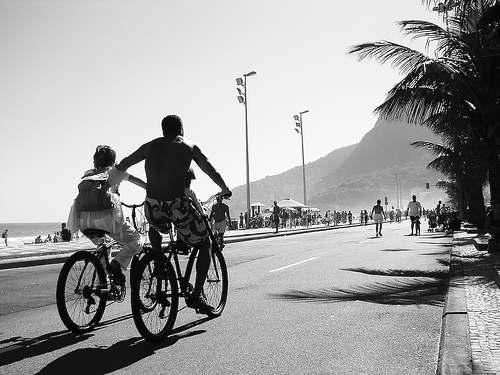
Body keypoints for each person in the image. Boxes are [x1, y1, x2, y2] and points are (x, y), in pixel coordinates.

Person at [116, 114, 231, 314]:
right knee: (206, 244)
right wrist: (224, 187)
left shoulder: (150, 146)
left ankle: (158, 259)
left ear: (163, 130)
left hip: (152, 206)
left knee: (154, 224)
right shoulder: (189, 146)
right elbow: (210, 170)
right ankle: (197, 294)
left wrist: (111, 179)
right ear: (181, 129)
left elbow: (124, 163)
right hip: (177, 206)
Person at [67, 145, 147, 287]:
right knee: (137, 239)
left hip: (84, 221)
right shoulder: (117, 172)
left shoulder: (88, 174)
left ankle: (101, 285)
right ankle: (117, 264)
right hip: (108, 221)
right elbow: (140, 183)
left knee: (104, 246)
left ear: (95, 161)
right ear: (114, 161)